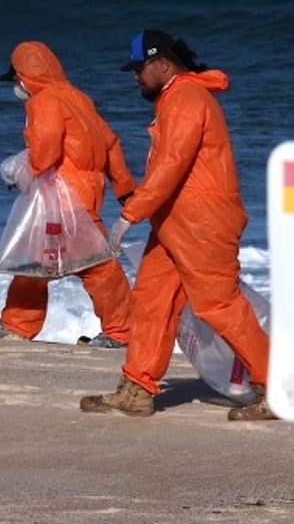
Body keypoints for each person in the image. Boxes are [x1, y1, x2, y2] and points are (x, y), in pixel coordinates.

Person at [79, 30, 274, 420]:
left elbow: (172, 165)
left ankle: (274, 386)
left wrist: (127, 218)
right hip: (175, 223)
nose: (135, 76)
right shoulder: (177, 97)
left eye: (139, 68)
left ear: (162, 64)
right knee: (152, 300)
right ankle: (137, 388)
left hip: (203, 223)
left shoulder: (185, 98)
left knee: (219, 305)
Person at [1, 42, 136, 348]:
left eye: (16, 79)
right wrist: (124, 187)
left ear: (25, 77)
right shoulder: (79, 99)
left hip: (62, 197)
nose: (16, 86)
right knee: (63, 262)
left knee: (67, 264)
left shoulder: (43, 101)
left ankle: (121, 332)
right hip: (86, 194)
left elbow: (45, 149)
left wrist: (22, 171)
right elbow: (111, 142)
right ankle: (17, 325)